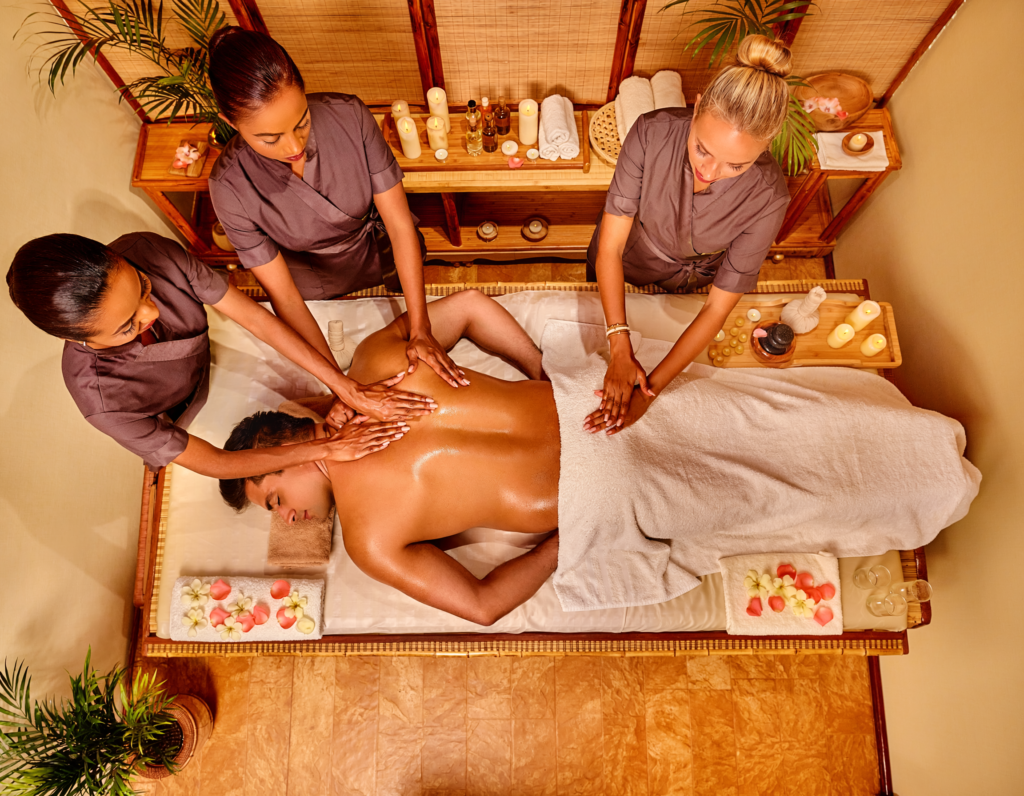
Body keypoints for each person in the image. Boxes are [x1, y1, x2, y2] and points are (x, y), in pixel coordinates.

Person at [218, 292, 977, 624]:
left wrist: (565, 542)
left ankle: (933, 486)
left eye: (271, 495)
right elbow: (473, 307)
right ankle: (923, 439)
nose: (287, 519)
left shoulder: (370, 541)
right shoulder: (376, 361)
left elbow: (483, 608)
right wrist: (542, 374)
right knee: (774, 421)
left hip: (603, 488)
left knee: (776, 496)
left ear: (288, 443)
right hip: (593, 403)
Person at [6, 232, 426, 476]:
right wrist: (328, 450)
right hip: (186, 416)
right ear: (81, 341)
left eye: (144, 288)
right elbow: (216, 461)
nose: (151, 313)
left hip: (214, 355)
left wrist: (344, 387)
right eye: (128, 326)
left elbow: (255, 318)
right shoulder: (103, 402)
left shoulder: (149, 251)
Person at [206, 26, 465, 389]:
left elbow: (399, 225)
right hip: (317, 285)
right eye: (270, 139)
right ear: (231, 123)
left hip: (384, 256)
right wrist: (340, 387)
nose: (294, 147)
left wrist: (421, 328)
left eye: (302, 123)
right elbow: (285, 297)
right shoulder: (229, 185)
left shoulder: (349, 116)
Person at [586, 34, 793, 434]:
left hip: (693, 277)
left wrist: (650, 391)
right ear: (696, 107)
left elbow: (716, 308)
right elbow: (610, 246)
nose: (710, 172)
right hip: (629, 253)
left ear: (766, 146)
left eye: (736, 166)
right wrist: (619, 345)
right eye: (702, 149)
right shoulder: (652, 132)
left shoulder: (769, 196)